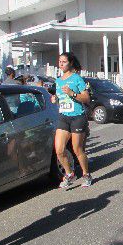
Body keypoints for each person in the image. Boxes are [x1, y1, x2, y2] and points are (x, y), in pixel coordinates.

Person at [51, 52, 93, 188]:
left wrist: (72, 93)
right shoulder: (58, 81)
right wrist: (55, 99)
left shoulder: (77, 79)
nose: (61, 64)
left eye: (64, 62)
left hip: (77, 117)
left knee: (77, 149)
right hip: (64, 117)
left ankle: (86, 174)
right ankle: (70, 174)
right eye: (59, 61)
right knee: (59, 150)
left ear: (70, 63)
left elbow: (86, 98)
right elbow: (60, 99)